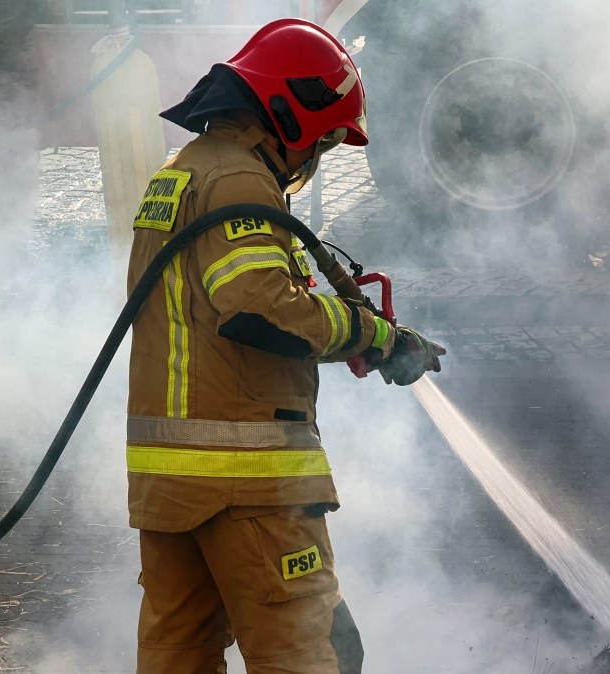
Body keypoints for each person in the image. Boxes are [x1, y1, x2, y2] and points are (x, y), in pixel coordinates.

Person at [124, 18, 445, 674]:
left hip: (170, 483)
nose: (315, 158)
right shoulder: (240, 179)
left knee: (177, 659)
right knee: (317, 655)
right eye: (322, 142)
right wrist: (375, 334)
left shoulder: (180, 172)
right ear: (292, 113)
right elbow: (256, 308)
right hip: (246, 481)